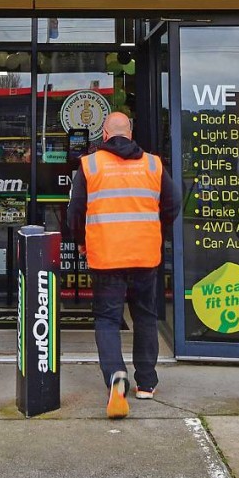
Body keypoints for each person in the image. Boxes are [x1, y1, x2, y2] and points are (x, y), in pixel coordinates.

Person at [67, 109, 180, 420]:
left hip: (106, 256)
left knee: (107, 319)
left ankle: (116, 375)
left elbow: (75, 212)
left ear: (104, 135)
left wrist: (81, 240)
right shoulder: (153, 164)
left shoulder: (90, 165)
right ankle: (146, 383)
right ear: (130, 134)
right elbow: (173, 204)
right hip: (145, 255)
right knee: (145, 316)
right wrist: (156, 231)